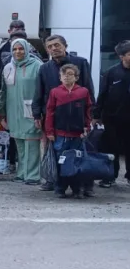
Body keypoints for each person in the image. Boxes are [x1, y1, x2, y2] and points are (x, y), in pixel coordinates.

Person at [32, 34, 95, 191]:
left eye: (57, 45)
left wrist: (91, 116)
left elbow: (89, 89)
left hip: (77, 117)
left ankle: (84, 184)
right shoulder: (44, 68)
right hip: (52, 116)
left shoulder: (80, 62)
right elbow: (39, 92)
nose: (54, 48)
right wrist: (36, 114)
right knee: (52, 150)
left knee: (80, 150)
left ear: (65, 46)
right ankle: (53, 180)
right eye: (50, 46)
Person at [0, 38, 43, 186]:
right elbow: (3, 91)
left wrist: (40, 111)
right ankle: (21, 173)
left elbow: (43, 90)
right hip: (13, 111)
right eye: (15, 49)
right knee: (19, 143)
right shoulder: (8, 67)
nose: (18, 52)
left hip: (31, 110)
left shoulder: (37, 66)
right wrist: (1, 111)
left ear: (27, 49)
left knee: (31, 142)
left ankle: (33, 175)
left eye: (21, 49)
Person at [46, 63, 93, 197]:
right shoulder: (55, 92)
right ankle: (60, 188)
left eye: (70, 74)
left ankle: (76, 188)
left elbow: (88, 111)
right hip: (60, 134)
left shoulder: (83, 92)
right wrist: (49, 131)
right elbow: (50, 112)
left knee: (77, 162)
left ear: (76, 77)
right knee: (60, 161)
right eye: (64, 75)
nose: (67, 77)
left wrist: (87, 126)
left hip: (78, 135)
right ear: (60, 77)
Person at [95, 40, 130, 186]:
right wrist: (96, 115)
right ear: (121, 56)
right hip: (112, 118)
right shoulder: (112, 73)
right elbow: (102, 95)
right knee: (111, 149)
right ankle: (110, 176)